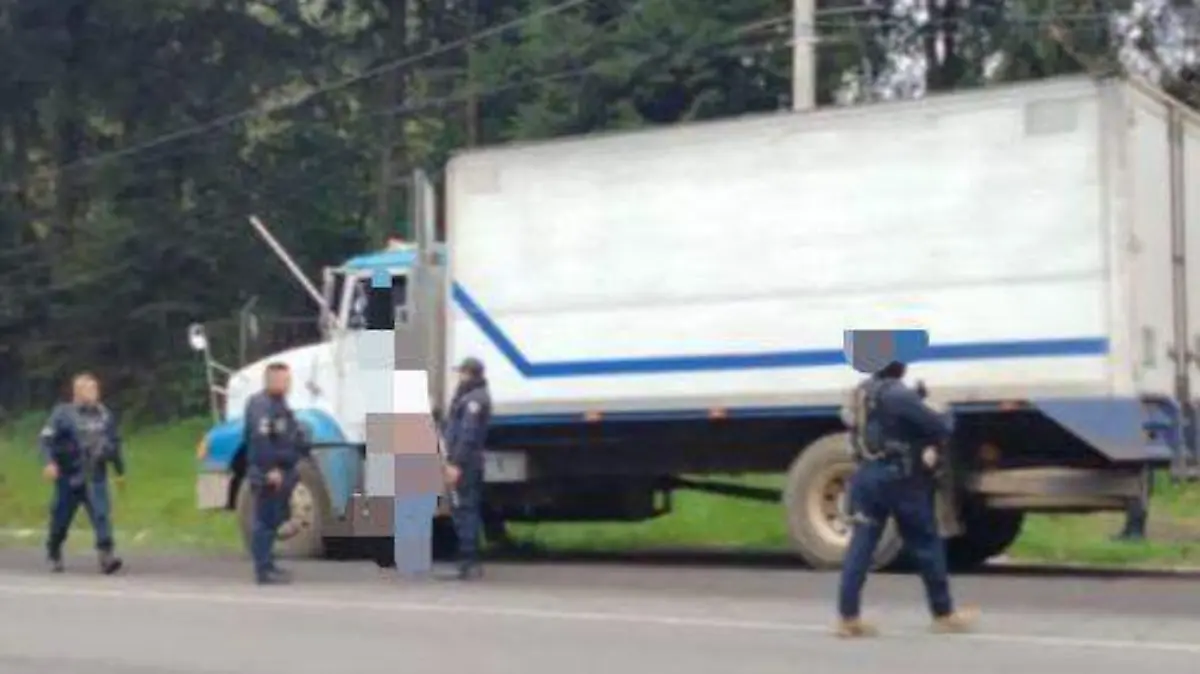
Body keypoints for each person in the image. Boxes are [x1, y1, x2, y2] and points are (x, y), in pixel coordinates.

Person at [836, 359, 977, 638]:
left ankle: (848, 617)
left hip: (866, 476)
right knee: (926, 544)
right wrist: (944, 411)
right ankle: (943, 613)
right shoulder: (899, 395)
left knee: (861, 546)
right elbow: (938, 427)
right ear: (899, 368)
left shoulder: (861, 393)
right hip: (901, 480)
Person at [40, 372, 125, 574]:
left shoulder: (104, 415)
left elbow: (115, 442)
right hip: (69, 475)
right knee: (61, 518)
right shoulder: (63, 414)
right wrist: (49, 462)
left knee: (101, 514)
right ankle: (54, 550)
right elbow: (46, 440)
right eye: (89, 389)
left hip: (95, 474)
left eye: (95, 388)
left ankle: (106, 555)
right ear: (77, 392)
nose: (94, 392)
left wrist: (120, 471)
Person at [244, 362, 305, 585]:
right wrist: (270, 469)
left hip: (282, 470)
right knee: (265, 521)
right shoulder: (261, 405)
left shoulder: (280, 404)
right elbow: (261, 440)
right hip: (268, 472)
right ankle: (262, 570)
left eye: (288, 380)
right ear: (271, 380)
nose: (288, 384)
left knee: (274, 519)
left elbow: (289, 435)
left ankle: (269, 564)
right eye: (284, 380)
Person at [441, 356, 491, 580]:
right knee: (464, 509)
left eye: (461, 372)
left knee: (465, 509)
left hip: (466, 462)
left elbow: (468, 435)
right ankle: (469, 562)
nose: (459, 377)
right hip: (466, 461)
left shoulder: (474, 400)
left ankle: (467, 563)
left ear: (469, 374)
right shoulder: (470, 396)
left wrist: (456, 464)